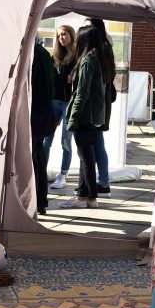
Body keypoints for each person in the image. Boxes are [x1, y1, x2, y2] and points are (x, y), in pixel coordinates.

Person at [58, 25, 107, 209]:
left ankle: (90, 197)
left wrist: (73, 118)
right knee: (86, 156)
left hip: (85, 117)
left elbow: (82, 93)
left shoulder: (87, 61)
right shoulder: (98, 58)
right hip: (94, 117)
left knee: (85, 157)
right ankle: (82, 195)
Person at [82, 17, 117, 196]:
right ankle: (100, 181)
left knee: (96, 143)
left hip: (98, 103)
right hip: (100, 102)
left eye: (88, 27)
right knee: (97, 142)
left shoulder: (101, 49)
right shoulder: (101, 49)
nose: (84, 30)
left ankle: (102, 181)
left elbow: (108, 75)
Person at [45, 25, 76, 190]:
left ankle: (62, 175)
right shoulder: (54, 57)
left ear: (71, 35)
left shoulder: (76, 57)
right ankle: (40, 171)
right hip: (53, 102)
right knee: (46, 140)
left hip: (69, 103)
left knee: (66, 141)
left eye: (64, 35)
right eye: (58, 36)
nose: (61, 38)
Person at [30, 39, 57, 215]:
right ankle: (40, 202)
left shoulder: (33, 54)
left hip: (34, 112)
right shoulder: (43, 53)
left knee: (33, 158)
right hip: (43, 112)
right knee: (38, 158)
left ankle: (35, 201)